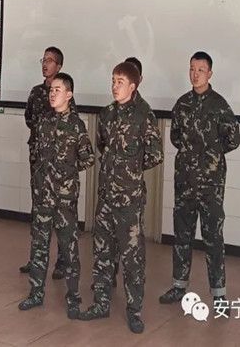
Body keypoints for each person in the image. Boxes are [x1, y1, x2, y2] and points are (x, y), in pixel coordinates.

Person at [79, 61, 163, 334]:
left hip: (129, 200)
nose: (115, 86)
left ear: (133, 86)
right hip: (106, 196)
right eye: (113, 81)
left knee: (132, 259)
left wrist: (130, 171)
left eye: (120, 82)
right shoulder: (106, 114)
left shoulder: (144, 115)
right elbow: (102, 145)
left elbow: (155, 154)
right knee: (102, 252)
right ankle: (101, 303)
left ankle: (134, 311)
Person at [159, 51, 240, 310]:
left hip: (210, 186)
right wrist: (192, 157)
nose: (195, 74)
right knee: (182, 235)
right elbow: (175, 137)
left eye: (201, 70)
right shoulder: (182, 104)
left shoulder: (220, 105)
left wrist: (210, 155)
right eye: (192, 69)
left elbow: (233, 139)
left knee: (213, 238)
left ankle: (219, 295)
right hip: (185, 181)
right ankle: (178, 286)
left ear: (210, 74)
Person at [18, 73, 94, 319]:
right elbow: (38, 154)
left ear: (69, 95)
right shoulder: (43, 121)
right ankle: (36, 293)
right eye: (51, 90)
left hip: (64, 199)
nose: (52, 94)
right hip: (43, 196)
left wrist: (67, 173)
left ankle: (73, 298)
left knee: (69, 249)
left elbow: (88, 158)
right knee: (39, 246)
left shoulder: (76, 125)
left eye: (57, 90)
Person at [21, 46, 77, 278]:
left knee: (62, 215)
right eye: (43, 60)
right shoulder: (36, 92)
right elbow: (28, 118)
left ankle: (63, 262)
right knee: (38, 210)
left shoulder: (65, 92)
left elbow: (71, 125)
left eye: (50, 61)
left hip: (59, 167)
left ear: (59, 66)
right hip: (38, 161)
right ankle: (36, 258)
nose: (45, 64)